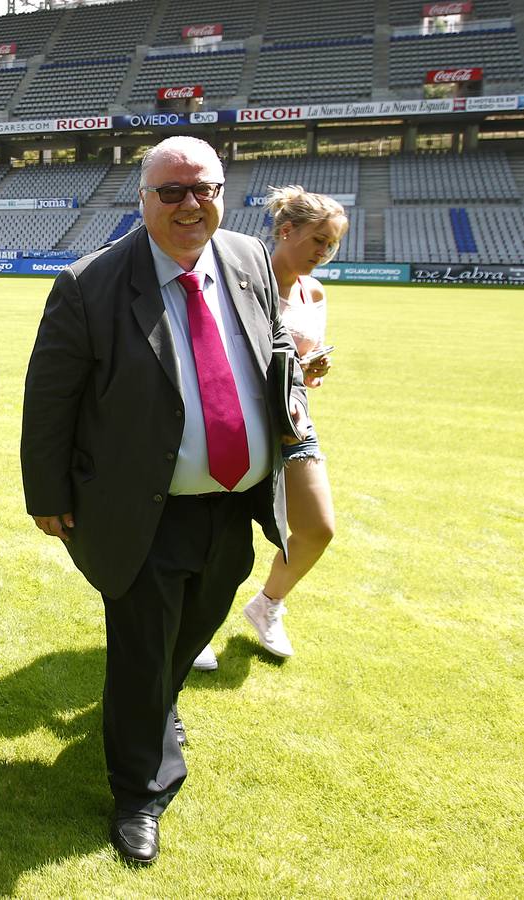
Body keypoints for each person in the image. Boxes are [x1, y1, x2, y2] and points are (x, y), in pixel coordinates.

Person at [20, 136, 306, 864]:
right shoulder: (90, 284)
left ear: (221, 191)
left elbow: (276, 353)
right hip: (142, 509)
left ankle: (153, 712)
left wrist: (295, 415)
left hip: (231, 506)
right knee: (143, 653)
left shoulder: (248, 262)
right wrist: (46, 495)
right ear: (142, 201)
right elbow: (50, 402)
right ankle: (138, 794)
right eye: (170, 192)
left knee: (191, 632)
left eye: (202, 188)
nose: (189, 204)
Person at [194, 187, 344, 668]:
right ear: (286, 231)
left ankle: (267, 606)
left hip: (292, 423)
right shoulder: (240, 280)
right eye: (318, 240)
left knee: (318, 528)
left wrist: (310, 370)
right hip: (233, 423)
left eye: (332, 245)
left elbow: (294, 364)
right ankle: (192, 629)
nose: (323, 252)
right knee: (215, 537)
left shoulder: (314, 292)